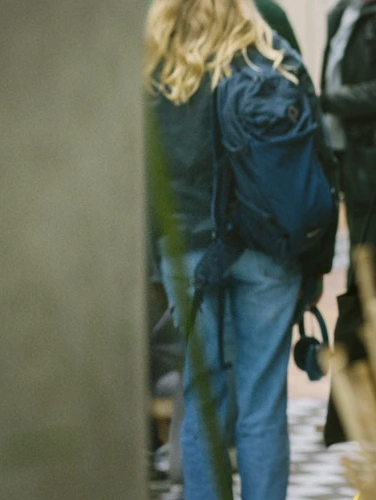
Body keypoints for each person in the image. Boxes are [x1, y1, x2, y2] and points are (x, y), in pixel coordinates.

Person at [143, 0, 323, 498]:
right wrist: (316, 264)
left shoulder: (157, 65)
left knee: (203, 399)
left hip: (188, 252)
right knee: (263, 401)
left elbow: (142, 178)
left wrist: (151, 266)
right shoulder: (270, 47)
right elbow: (317, 157)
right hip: (269, 252)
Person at [320, 0, 376, 447]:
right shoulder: (340, 13)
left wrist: (327, 101)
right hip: (346, 157)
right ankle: (354, 416)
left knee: (369, 279)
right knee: (358, 280)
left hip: (372, 157)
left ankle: (366, 414)